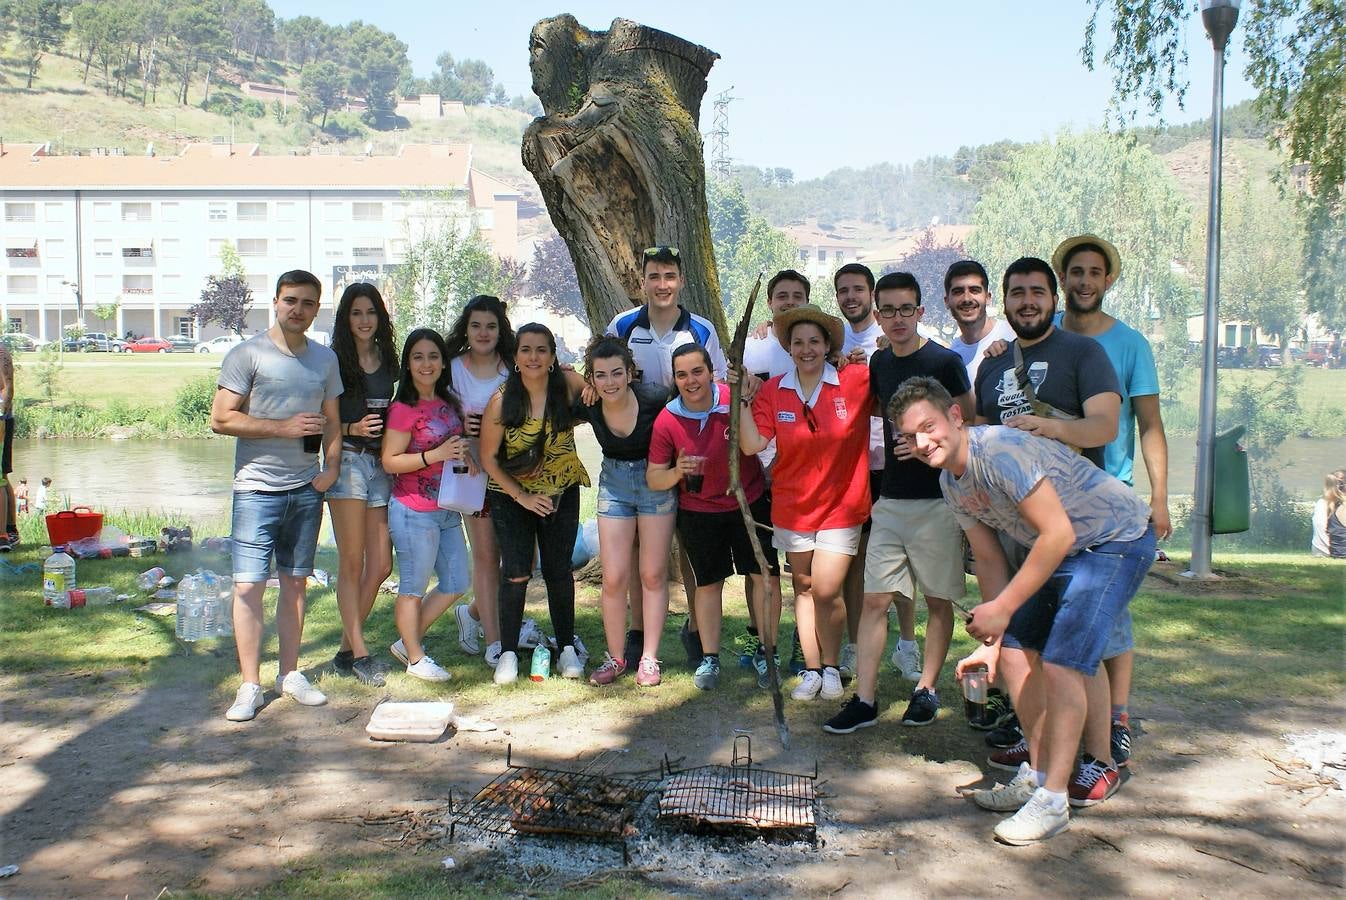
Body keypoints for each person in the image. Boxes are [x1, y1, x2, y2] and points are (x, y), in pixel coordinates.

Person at [891, 377, 1155, 844]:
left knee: (1061, 662)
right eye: (910, 436)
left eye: (928, 426)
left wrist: (1005, 607)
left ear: (955, 416)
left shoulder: (1001, 454)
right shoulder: (951, 484)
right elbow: (991, 561)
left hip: (1115, 539)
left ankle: (1054, 802)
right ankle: (1035, 776)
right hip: (1068, 547)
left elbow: (1057, 534)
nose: (922, 442)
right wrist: (993, 640)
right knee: (1015, 652)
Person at [972, 257, 1122, 784]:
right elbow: (977, 430)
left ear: (1054, 299)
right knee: (1026, 642)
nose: (1027, 301)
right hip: (1019, 527)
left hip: (1079, 528)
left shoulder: (1083, 352)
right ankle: (1038, 740)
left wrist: (1049, 429)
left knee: (1081, 649)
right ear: (1004, 302)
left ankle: (1099, 759)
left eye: (1037, 292)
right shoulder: (992, 364)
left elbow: (1104, 426)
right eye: (1017, 293)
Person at [825, 273, 973, 735]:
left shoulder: (945, 362)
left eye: (905, 309)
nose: (896, 319)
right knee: (874, 600)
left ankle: (926, 689)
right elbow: (871, 408)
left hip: (938, 500)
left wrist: (929, 440)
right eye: (886, 310)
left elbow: (972, 422)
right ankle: (865, 699)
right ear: (876, 313)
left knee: (937, 598)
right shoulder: (879, 363)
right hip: (890, 497)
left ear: (920, 311)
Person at [1054, 234, 1171, 768]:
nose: (1084, 281)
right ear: (1064, 277)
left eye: (1094, 272)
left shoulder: (1130, 345)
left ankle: (1115, 718)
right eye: (1075, 271)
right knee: (1057, 613)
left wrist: (1160, 498)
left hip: (1111, 500)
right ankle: (1057, 714)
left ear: (1108, 280)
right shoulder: (1043, 335)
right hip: (1051, 500)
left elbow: (1150, 425)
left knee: (1109, 621)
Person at [211, 270, 342, 722]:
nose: (298, 309)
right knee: (247, 585)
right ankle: (250, 685)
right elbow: (221, 419)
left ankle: (290, 674)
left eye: (307, 303)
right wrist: (282, 428)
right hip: (255, 489)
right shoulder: (247, 354)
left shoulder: (324, 360)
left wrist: (332, 469)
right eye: (291, 300)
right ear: (275, 302)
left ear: (316, 307)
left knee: (294, 583)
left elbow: (333, 421)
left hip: (306, 489)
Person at [606, 245, 741, 667]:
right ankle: (638, 631)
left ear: (681, 281)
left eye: (669, 276)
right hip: (634, 450)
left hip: (687, 448)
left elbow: (717, 385)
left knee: (687, 540)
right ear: (641, 281)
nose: (662, 284)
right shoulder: (623, 324)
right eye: (654, 276)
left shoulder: (699, 329)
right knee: (635, 548)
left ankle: (697, 630)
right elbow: (604, 368)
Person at [737, 304, 873, 701]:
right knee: (804, 586)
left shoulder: (856, 379)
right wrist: (744, 401)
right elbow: (750, 444)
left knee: (828, 589)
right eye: (798, 342)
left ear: (828, 345)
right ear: (789, 347)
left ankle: (833, 666)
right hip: (793, 506)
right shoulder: (773, 389)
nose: (806, 349)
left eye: (815, 341)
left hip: (842, 506)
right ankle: (812, 669)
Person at [649, 343, 778, 691]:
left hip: (747, 501)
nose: (690, 381)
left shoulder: (730, 398)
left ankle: (769, 653)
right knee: (708, 584)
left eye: (697, 371)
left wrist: (741, 400)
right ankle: (710, 658)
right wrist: (677, 471)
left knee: (762, 576)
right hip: (699, 511)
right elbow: (654, 477)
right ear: (674, 379)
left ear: (710, 371)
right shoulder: (668, 418)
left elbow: (754, 446)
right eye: (681, 374)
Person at [479, 323, 591, 685]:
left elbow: (596, 391)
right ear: (515, 357)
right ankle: (508, 653)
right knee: (515, 572)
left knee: (559, 570)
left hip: (562, 489)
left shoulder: (567, 385)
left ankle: (567, 649)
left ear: (553, 357)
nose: (533, 357)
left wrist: (583, 377)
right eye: (526, 350)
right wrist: (522, 497)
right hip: (513, 496)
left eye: (542, 350)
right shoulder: (501, 400)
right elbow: (489, 458)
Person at [574, 337, 677, 687]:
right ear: (592, 378)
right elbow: (552, 378)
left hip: (654, 483)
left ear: (630, 372)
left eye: (617, 373)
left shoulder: (655, 398)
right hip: (613, 484)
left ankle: (649, 658)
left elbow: (693, 408)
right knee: (614, 577)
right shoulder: (588, 402)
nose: (610, 382)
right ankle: (616, 658)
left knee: (652, 574)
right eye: (600, 375)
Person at [380, 329, 474, 682]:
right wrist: (435, 454)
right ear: (408, 363)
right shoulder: (404, 409)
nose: (426, 363)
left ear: (442, 362)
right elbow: (390, 461)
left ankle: (407, 641)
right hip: (413, 511)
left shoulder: (448, 402)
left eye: (433, 356)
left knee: (455, 582)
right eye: (418, 357)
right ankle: (416, 658)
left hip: (448, 507)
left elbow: (454, 444)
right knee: (412, 587)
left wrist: (466, 451)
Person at [326, 283, 397, 686]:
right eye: (356, 313)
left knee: (382, 564)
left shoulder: (388, 360)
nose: (364, 320)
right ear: (345, 319)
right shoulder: (334, 361)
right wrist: (352, 426)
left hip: (380, 464)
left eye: (370, 312)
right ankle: (361, 652)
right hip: (349, 461)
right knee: (352, 564)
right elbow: (319, 418)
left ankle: (343, 649)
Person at [444, 295, 515, 667]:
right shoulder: (452, 368)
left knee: (523, 558)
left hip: (514, 472)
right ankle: (494, 641)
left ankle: (473, 612)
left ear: (500, 329)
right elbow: (435, 414)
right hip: (473, 473)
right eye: (476, 325)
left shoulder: (514, 367)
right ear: (466, 329)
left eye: (491, 325)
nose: (484, 333)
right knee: (487, 556)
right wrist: (462, 431)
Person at [833, 263, 885, 681]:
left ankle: (905, 644)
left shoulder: (890, 334)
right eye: (843, 291)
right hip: (847, 465)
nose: (851, 297)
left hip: (890, 462)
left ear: (871, 293)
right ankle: (852, 644)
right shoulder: (833, 339)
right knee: (853, 558)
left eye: (858, 289)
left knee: (894, 559)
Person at [944, 259, 1017, 391]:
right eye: (958, 291)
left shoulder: (1014, 335)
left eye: (974, 290)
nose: (967, 299)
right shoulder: (952, 360)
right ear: (947, 301)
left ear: (988, 297)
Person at [1311, 469, 1346, 558]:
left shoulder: (1322, 503)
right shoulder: (1341, 505)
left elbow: (1320, 529)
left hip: (1331, 551)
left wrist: (1321, 553)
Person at [0, 338, 14, 549]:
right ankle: (10, 529)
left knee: (0, 478)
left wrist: (1, 415)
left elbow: (6, 387)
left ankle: (4, 534)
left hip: (2, 420)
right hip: (3, 418)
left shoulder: (1, 353)